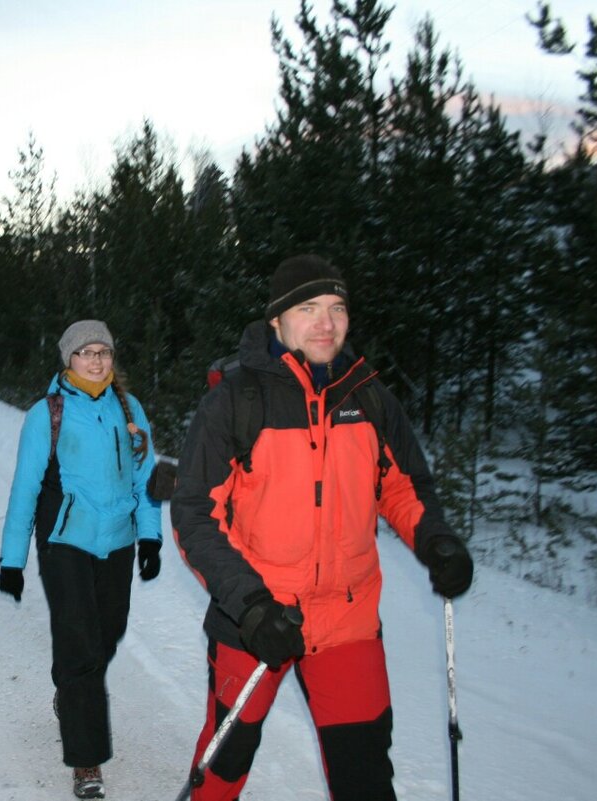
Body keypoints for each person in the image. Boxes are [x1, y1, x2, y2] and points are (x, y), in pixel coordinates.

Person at [171, 255, 474, 801]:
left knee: (365, 779)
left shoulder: (369, 397)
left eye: (337, 309)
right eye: (308, 309)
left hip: (348, 622)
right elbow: (195, 515)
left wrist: (438, 541)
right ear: (277, 323)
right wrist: (252, 605)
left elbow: (404, 488)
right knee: (224, 760)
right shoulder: (236, 402)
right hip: (257, 619)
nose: (326, 323)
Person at [0, 320, 163, 800]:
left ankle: (70, 690)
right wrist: (13, 559)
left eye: (104, 352)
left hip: (118, 541)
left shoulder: (129, 409)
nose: (96, 361)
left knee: (107, 633)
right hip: (65, 542)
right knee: (81, 648)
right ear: (68, 360)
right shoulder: (45, 415)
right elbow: (25, 489)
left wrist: (149, 538)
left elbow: (146, 479)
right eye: (86, 353)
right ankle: (86, 761)